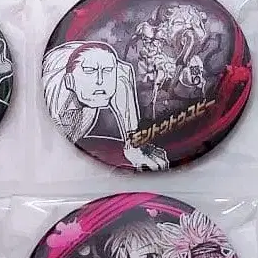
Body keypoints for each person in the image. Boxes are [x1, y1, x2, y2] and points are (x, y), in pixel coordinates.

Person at [42, 41, 169, 170]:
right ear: (69, 81)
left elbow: (121, 76)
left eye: (107, 71)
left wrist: (135, 145)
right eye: (90, 71)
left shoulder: (115, 77)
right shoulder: (54, 92)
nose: (100, 81)